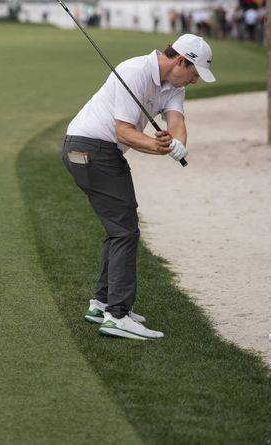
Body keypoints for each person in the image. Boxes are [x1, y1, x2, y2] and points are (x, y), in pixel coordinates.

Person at [61, 34, 215, 340]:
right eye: (195, 73)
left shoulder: (175, 86)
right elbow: (125, 132)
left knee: (118, 227)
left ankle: (102, 303)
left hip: (95, 151)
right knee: (125, 230)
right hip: (92, 149)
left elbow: (176, 123)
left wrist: (178, 144)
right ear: (181, 61)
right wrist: (161, 149)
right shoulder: (133, 71)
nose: (195, 80)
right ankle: (117, 315)